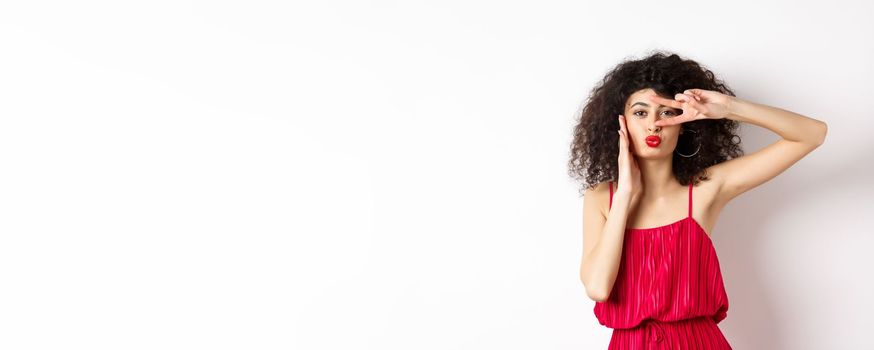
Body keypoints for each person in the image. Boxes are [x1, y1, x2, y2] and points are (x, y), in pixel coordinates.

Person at [567, 51, 827, 349]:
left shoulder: (705, 189)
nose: (654, 125)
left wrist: (728, 107)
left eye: (666, 113)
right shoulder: (603, 198)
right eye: (640, 113)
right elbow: (598, 288)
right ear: (620, 122)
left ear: (683, 124)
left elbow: (812, 135)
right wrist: (625, 193)